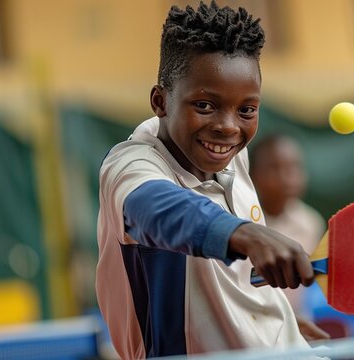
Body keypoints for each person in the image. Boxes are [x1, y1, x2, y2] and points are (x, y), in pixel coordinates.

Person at [95, 2, 322, 358]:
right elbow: (156, 211)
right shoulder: (131, 164)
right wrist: (244, 234)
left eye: (246, 109)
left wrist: (275, 320)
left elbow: (232, 283)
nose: (228, 126)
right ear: (161, 101)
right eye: (204, 105)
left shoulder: (235, 155)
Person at [249, 135, 330, 340]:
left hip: (297, 329)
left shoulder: (310, 222)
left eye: (295, 167)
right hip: (250, 331)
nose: (288, 177)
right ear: (252, 175)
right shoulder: (241, 223)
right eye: (274, 168)